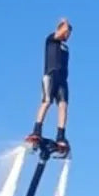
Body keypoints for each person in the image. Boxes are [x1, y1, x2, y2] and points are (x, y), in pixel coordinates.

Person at [25, 18, 72, 151]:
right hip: (51, 75)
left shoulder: (66, 47)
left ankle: (61, 135)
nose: (68, 35)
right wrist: (65, 23)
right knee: (47, 101)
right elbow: (62, 30)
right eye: (67, 32)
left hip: (62, 79)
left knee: (63, 105)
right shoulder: (51, 39)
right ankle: (37, 130)